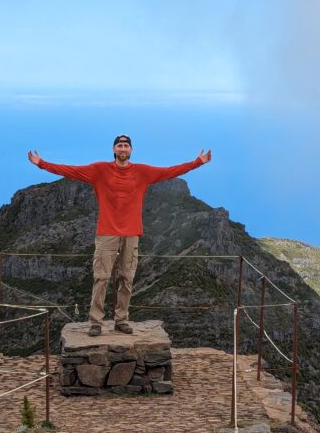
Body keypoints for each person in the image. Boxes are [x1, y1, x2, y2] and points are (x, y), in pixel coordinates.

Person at [28, 135, 211, 336]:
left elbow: (169, 172)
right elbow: (72, 171)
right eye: (119, 145)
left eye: (126, 145)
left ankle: (121, 319)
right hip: (107, 232)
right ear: (114, 149)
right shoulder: (99, 170)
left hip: (132, 232)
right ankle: (96, 322)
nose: (123, 148)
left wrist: (197, 163)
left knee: (127, 277)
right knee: (101, 278)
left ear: (131, 150)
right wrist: (42, 164)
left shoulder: (142, 172)